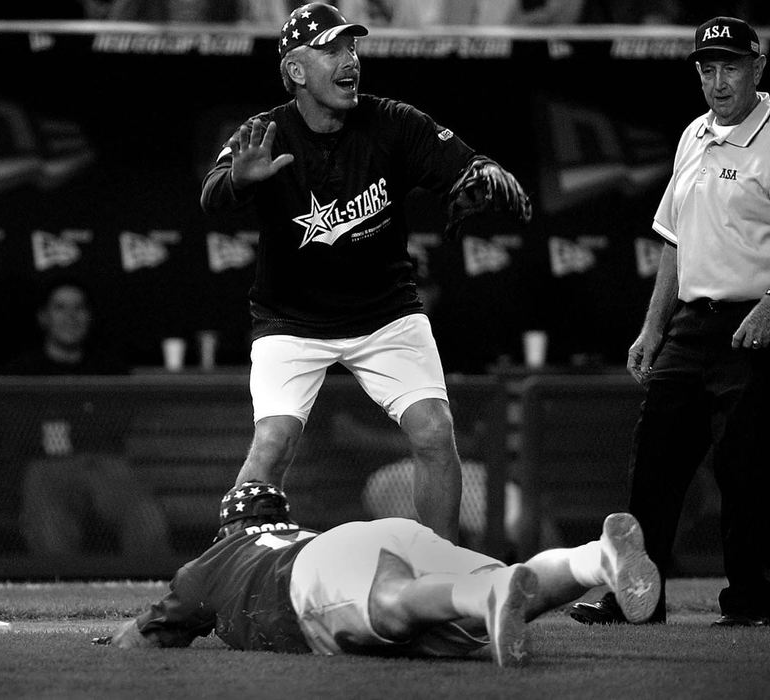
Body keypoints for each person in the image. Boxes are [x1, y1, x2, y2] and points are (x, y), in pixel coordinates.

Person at [199, 2, 531, 542]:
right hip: (291, 320)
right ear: (297, 72)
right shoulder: (265, 133)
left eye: (352, 47)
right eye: (332, 50)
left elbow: (463, 163)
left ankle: (440, 577)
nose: (349, 59)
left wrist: (484, 170)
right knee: (273, 442)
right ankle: (221, 575)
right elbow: (213, 197)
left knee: (433, 431)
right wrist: (240, 180)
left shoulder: (392, 121)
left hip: (385, 313)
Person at [571, 16, 770, 628]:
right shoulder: (694, 133)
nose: (719, 82)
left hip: (755, 324)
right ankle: (637, 599)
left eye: (731, 68)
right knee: (654, 464)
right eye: (708, 69)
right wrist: (651, 327)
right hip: (692, 325)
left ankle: (754, 600)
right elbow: (672, 242)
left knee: (744, 468)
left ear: (758, 68)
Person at [94, 481, 660, 667]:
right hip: (378, 532)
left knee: (393, 603)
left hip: (312, 575)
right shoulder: (295, 530)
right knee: (517, 588)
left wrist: (111, 641)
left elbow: (141, 637)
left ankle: (487, 592)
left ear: (227, 528)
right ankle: (595, 559)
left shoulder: (213, 561)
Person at [0, 277, 173, 567]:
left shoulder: (109, 369)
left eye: (79, 308)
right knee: (46, 502)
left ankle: (152, 592)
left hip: (102, 465)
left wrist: (62, 423)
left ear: (89, 316)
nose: (71, 317)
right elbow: (18, 438)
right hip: (47, 468)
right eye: (60, 308)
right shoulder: (22, 372)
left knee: (142, 511)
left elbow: (113, 431)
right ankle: (58, 601)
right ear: (44, 317)